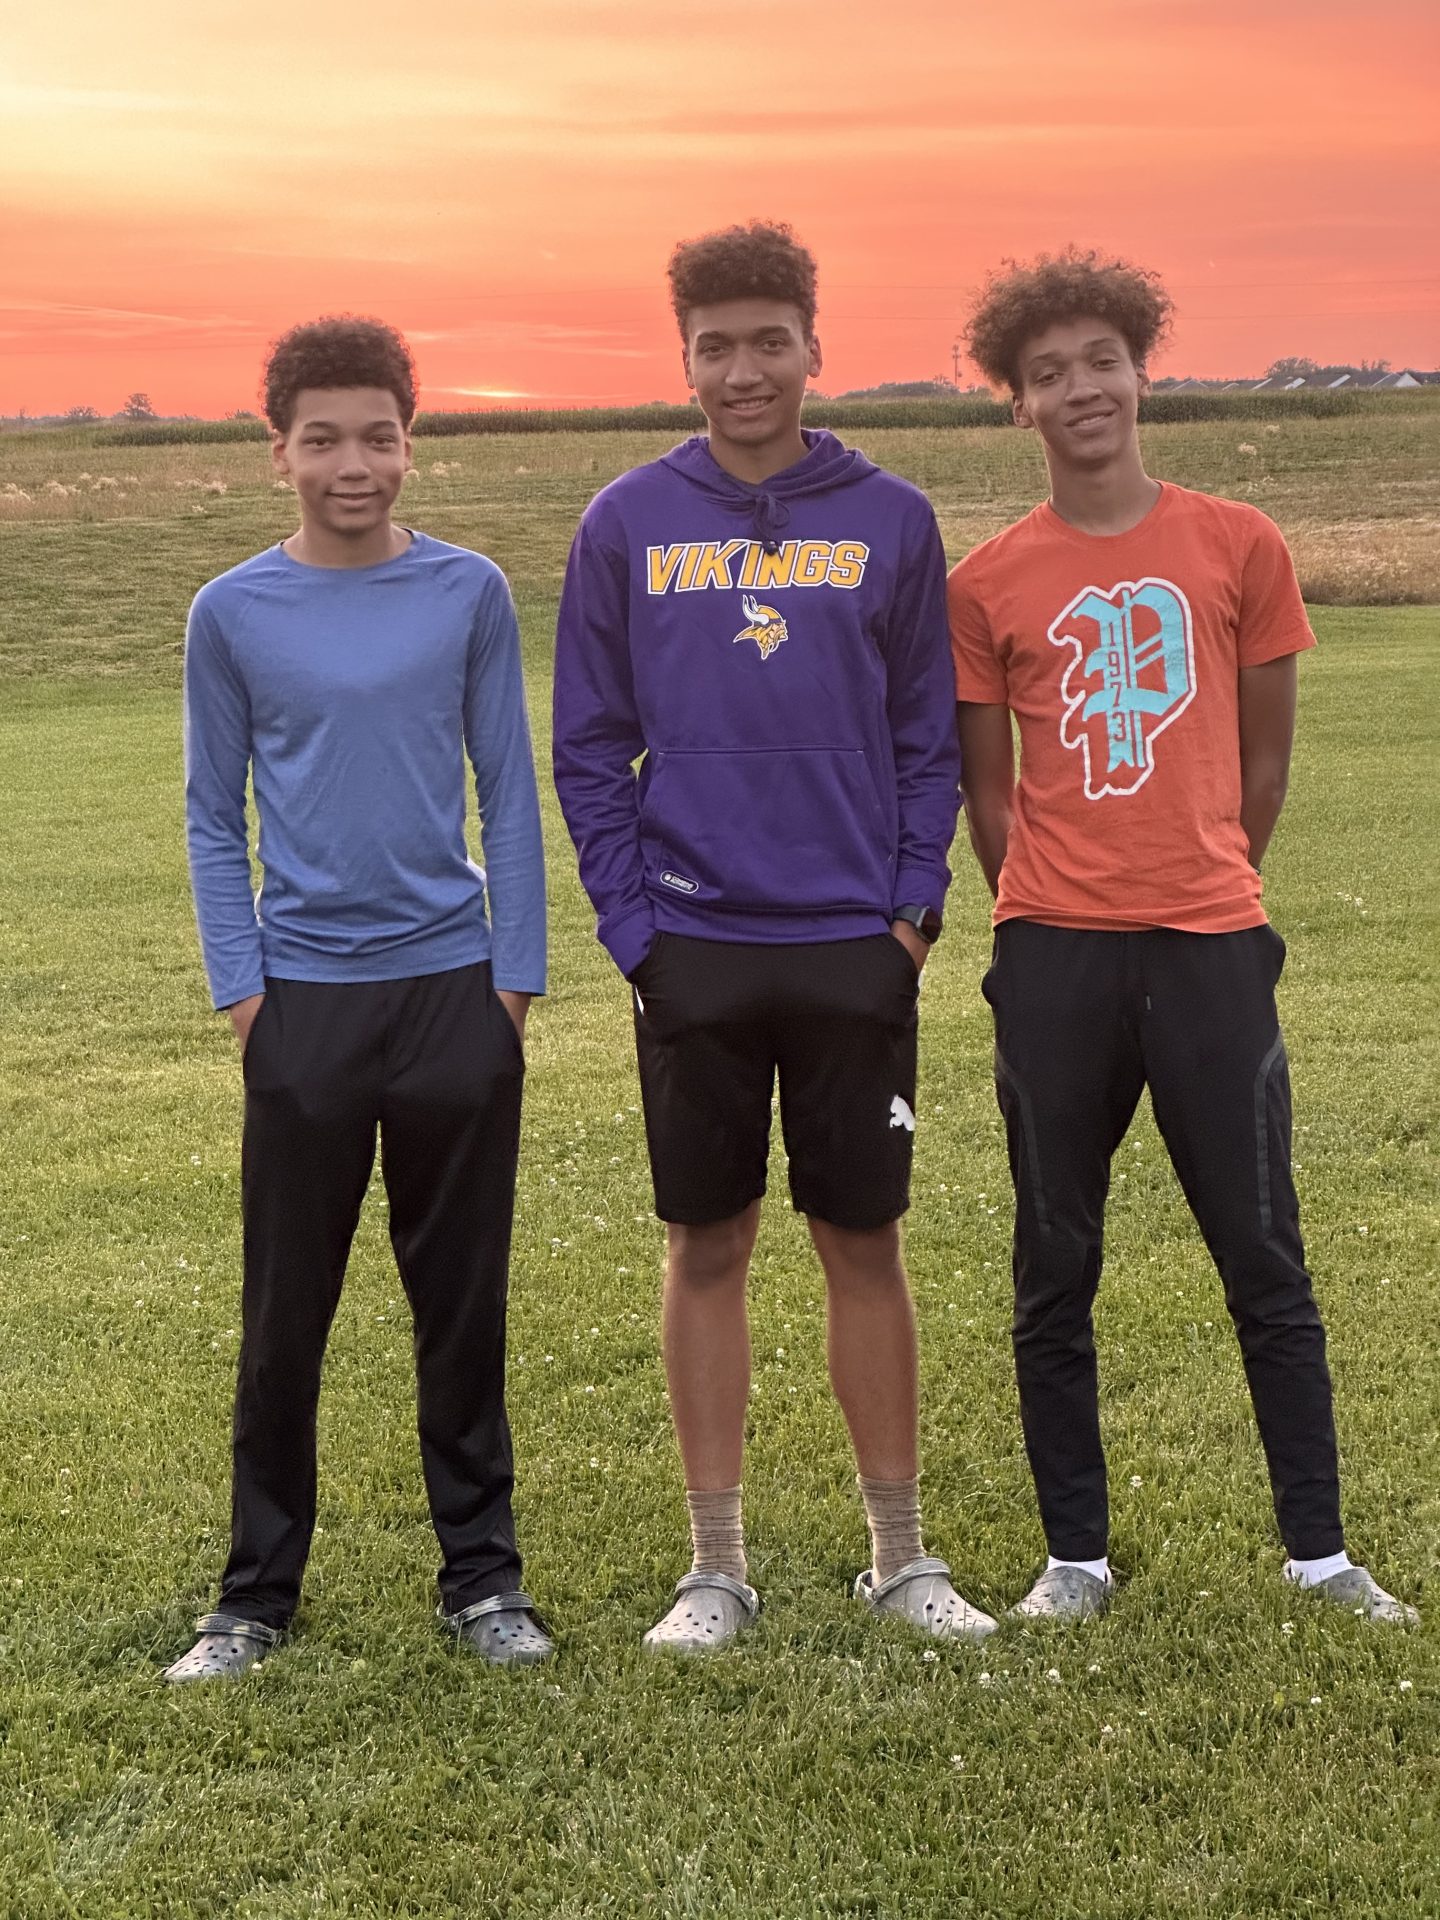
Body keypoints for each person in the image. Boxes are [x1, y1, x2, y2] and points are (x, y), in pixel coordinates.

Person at [948, 248, 1416, 1625]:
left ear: (1142, 370)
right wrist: (1052, 902)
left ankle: (1320, 1553)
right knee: (1055, 1261)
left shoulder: (1238, 543)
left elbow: (1263, 770)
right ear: (1017, 406)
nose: (1081, 387)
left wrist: (1199, 880)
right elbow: (989, 789)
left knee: (1263, 1254)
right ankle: (1074, 1560)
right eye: (1049, 373)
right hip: (1055, 957)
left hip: (1211, 946)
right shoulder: (988, 583)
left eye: (1102, 360)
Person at [553, 220, 992, 1651]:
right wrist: (636, 931)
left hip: (854, 945)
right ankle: (717, 1566)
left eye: (768, 341)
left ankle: (900, 1556)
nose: (743, 371)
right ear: (682, 356)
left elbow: (929, 740)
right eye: (714, 345)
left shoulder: (893, 519)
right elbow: (589, 748)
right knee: (708, 1240)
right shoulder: (626, 521)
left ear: (815, 344)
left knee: (863, 1239)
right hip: (694, 949)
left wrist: (914, 912)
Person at [168, 316, 552, 1682]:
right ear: (278, 450)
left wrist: (513, 983)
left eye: (377, 436)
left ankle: (484, 1582)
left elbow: (509, 789)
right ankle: (254, 1598)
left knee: (462, 1307)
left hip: (453, 995)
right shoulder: (233, 612)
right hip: (304, 1012)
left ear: (410, 441)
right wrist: (244, 1000)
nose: (352, 462)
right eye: (321, 437)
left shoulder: (469, 594)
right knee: (287, 1315)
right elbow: (215, 816)